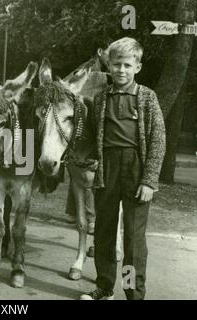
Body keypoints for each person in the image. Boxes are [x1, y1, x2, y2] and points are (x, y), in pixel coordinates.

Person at [80, 37, 165, 300]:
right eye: (116, 64)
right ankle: (104, 288)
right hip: (107, 168)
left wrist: (149, 181)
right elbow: (92, 136)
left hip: (136, 169)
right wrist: (92, 161)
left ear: (137, 67)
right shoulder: (100, 98)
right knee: (104, 232)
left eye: (127, 65)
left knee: (133, 238)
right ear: (108, 64)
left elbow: (158, 141)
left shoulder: (147, 97)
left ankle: (133, 293)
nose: (121, 70)